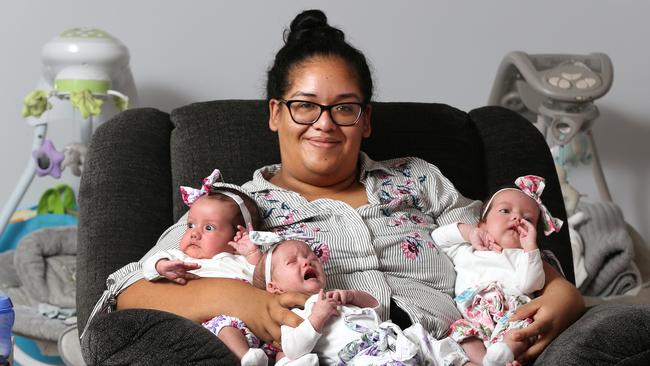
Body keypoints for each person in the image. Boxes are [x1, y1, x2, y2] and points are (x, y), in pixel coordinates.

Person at [85, 9, 650, 366]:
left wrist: (561, 293)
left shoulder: (418, 178)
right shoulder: (237, 209)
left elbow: (496, 236)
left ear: (367, 119)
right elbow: (126, 296)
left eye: (345, 108)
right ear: (276, 114)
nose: (325, 123)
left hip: (457, 349)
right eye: (305, 106)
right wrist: (242, 300)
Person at [250, 235, 469, 365]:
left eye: (311, 256)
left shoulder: (335, 296)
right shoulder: (294, 315)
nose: (306, 262)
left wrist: (353, 296)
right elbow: (294, 349)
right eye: (292, 262)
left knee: (427, 341)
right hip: (359, 356)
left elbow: (376, 306)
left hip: (392, 340)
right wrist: (317, 318)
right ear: (274, 287)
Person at [141, 169, 271, 366]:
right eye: (191, 225)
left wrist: (252, 253)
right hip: (186, 325)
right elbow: (148, 267)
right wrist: (161, 266)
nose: (194, 234)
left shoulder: (239, 262)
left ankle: (247, 358)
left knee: (227, 327)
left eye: (209, 228)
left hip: (235, 327)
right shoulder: (178, 257)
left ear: (237, 236)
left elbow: (264, 279)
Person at [432, 175, 562, 366]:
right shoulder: (466, 250)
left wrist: (530, 248)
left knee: (522, 330)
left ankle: (505, 353)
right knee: (460, 332)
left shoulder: (522, 257)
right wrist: (469, 232)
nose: (517, 218)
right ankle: (486, 362)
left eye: (528, 219)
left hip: (510, 314)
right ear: (482, 224)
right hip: (473, 316)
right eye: (505, 210)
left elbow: (530, 284)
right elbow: (438, 237)